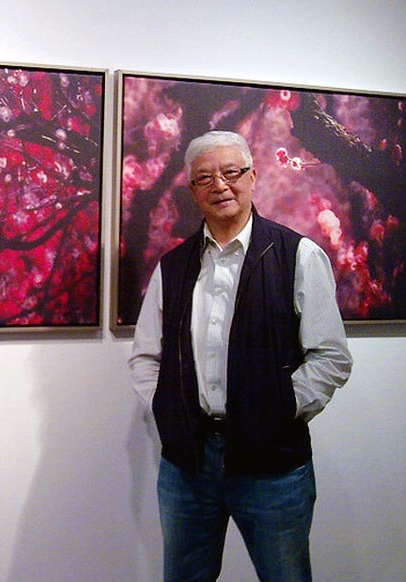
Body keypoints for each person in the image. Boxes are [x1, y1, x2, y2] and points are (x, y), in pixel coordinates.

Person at [129, 131, 352, 582]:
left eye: (231, 172)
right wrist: (166, 410)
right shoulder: (173, 267)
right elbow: (146, 356)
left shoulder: (298, 255)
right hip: (187, 465)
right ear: (193, 190)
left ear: (252, 177)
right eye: (205, 178)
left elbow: (330, 357)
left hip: (273, 465)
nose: (220, 185)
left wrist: (279, 409)